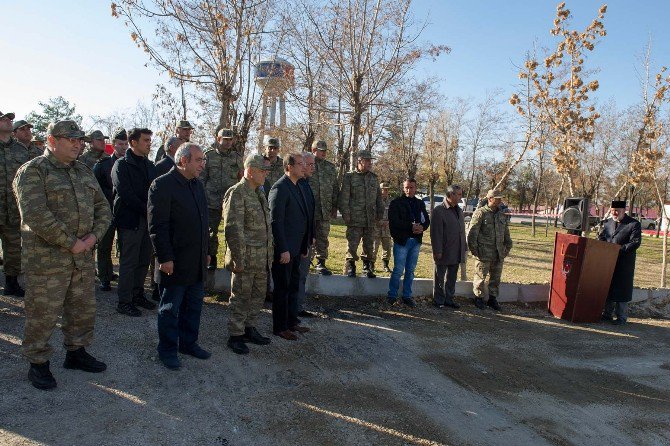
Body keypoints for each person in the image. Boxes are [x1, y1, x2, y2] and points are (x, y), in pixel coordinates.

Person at [13, 120, 111, 390]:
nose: (78, 144)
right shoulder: (33, 171)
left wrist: (93, 237)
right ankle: (38, 363)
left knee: (81, 310)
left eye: (80, 140)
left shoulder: (83, 171)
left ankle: (76, 352)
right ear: (52, 141)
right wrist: (71, 243)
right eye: (72, 139)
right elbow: (35, 215)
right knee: (42, 314)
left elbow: (103, 207)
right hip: (47, 262)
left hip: (81, 260)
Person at [148, 143, 210, 369]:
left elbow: (204, 223)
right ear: (183, 160)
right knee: (170, 308)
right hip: (173, 261)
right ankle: (167, 349)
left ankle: (188, 343)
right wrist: (164, 258)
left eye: (203, 160)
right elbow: (157, 226)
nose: (202, 165)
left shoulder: (197, 185)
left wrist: (208, 252)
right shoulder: (162, 185)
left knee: (194, 306)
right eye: (198, 160)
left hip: (196, 260)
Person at [222, 154, 274, 354]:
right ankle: (235, 335)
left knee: (258, 295)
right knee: (241, 296)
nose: (265, 175)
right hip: (245, 257)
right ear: (250, 171)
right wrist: (238, 259)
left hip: (262, 257)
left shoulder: (259, 192)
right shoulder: (237, 193)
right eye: (263, 171)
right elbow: (233, 229)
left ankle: (249, 328)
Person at [112, 127, 157, 316]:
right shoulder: (121, 165)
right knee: (129, 262)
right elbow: (126, 194)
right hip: (130, 220)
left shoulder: (149, 166)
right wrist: (148, 210)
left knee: (143, 260)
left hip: (147, 221)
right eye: (145, 140)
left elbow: (155, 192)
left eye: (149, 140)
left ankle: (137, 295)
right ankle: (124, 301)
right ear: (133, 142)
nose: (149, 144)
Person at [268, 153, 310, 340]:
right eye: (300, 164)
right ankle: (280, 326)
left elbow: (301, 219)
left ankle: (291, 322)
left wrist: (303, 245)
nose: (303, 167)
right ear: (289, 167)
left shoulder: (298, 186)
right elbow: (276, 222)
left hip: (296, 249)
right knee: (282, 289)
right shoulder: (280, 188)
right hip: (284, 251)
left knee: (293, 286)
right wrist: (282, 249)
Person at [1, 114, 42, 297]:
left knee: (13, 248)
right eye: (4, 119)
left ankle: (11, 283)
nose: (8, 121)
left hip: (13, 208)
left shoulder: (21, 150)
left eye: (10, 119)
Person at [201, 128, 243, 270]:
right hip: (211, 201)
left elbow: (240, 178)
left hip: (230, 202)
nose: (228, 142)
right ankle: (211, 259)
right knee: (211, 232)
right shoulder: (208, 156)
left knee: (231, 232)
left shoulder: (237, 158)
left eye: (230, 139)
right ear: (218, 139)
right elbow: (202, 179)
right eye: (225, 139)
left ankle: (229, 261)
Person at [337, 150, 383, 278]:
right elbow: (344, 198)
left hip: (370, 218)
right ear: (359, 161)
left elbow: (379, 198)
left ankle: (366, 267)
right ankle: (351, 265)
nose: (370, 163)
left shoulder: (374, 178)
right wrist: (346, 214)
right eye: (367, 160)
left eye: (370, 160)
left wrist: (380, 214)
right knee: (352, 243)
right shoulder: (349, 177)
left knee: (369, 244)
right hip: (354, 218)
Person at [467, 189, 513, 311]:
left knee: (496, 278)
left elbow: (506, 233)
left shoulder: (501, 214)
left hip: (498, 253)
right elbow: (472, 234)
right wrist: (474, 251)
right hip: (483, 252)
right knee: (480, 277)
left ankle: (493, 299)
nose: (499, 201)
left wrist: (508, 246)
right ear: (490, 199)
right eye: (497, 198)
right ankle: (479, 298)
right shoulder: (480, 213)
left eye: (500, 198)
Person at [92, 128, 127, 291]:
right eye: (120, 144)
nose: (124, 147)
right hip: (107, 211)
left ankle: (127, 278)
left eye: (126, 144)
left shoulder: (131, 164)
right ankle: (105, 277)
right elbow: (94, 189)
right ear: (113, 145)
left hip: (126, 212)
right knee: (105, 246)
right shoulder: (103, 165)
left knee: (126, 246)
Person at [387, 178, 430, 307]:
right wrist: (410, 227)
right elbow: (394, 222)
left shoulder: (419, 203)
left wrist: (422, 227)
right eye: (406, 187)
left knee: (410, 270)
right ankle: (392, 295)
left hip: (415, 241)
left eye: (411, 187)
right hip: (402, 241)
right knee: (398, 270)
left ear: (415, 188)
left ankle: (407, 295)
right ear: (403, 188)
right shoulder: (396, 203)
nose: (408, 190)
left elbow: (426, 220)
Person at [598, 200, 642, 325]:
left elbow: (635, 242)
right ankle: (607, 315)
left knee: (621, 290)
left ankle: (621, 318)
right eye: (612, 211)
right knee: (609, 287)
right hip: (608, 262)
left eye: (617, 211)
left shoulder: (634, 224)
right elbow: (602, 237)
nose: (614, 213)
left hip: (624, 263)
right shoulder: (608, 223)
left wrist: (617, 250)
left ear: (624, 211)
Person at [430, 185, 466, 309]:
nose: (461, 197)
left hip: (456, 250)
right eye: (458, 194)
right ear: (450, 195)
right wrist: (437, 251)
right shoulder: (439, 210)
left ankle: (449, 299)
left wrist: (464, 247)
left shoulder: (458, 210)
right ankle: (439, 300)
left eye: (461, 194)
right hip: (444, 250)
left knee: (452, 277)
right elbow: (435, 233)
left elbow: (461, 231)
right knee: (439, 276)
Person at [308, 140, 338, 275]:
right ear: (313, 150)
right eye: (321, 150)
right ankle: (306, 261)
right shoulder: (307, 165)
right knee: (307, 235)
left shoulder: (330, 168)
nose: (324, 153)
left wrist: (334, 206)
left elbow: (335, 188)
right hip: (309, 209)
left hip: (324, 209)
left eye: (325, 151)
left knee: (323, 236)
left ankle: (321, 262)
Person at [297, 152, 316, 318]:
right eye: (309, 164)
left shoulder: (306, 184)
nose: (312, 168)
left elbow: (311, 214)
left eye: (313, 165)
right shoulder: (296, 185)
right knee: (297, 275)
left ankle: (298, 307)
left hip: (306, 238)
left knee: (302, 274)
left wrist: (313, 234)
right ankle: (293, 309)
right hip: (297, 240)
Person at [373, 183, 392, 273]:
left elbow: (394, 216)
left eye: (387, 190)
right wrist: (380, 222)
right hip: (376, 228)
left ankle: (386, 265)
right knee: (373, 248)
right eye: (383, 189)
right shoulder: (374, 201)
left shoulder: (391, 202)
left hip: (387, 229)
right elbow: (371, 214)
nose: (385, 191)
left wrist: (389, 222)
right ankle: (371, 265)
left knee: (387, 248)